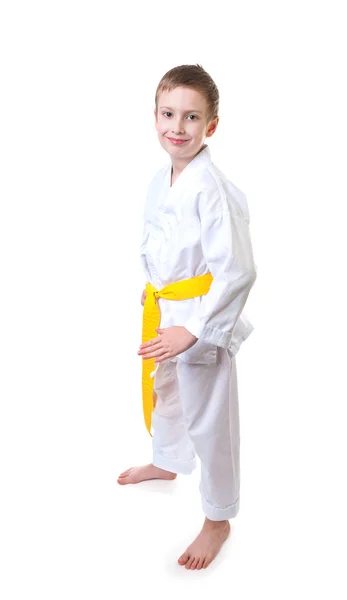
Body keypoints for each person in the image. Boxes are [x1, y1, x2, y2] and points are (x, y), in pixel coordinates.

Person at [117, 64, 257, 570]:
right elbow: (165, 240)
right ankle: (167, 461)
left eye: (192, 117)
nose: (178, 126)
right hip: (168, 307)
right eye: (169, 113)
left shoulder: (211, 189)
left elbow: (238, 271)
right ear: (154, 116)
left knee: (210, 417)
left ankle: (218, 518)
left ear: (211, 126)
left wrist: (195, 329)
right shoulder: (163, 178)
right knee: (167, 393)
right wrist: (155, 284)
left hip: (200, 319)